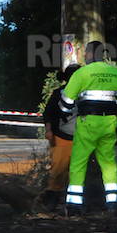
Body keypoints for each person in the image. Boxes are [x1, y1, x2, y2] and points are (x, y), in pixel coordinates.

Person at [59, 41, 117, 215]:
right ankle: (112, 204)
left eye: (85, 53)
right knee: (109, 164)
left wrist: (65, 110)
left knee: (79, 163)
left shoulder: (82, 73)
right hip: (109, 123)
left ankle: (74, 206)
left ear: (89, 54)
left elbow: (66, 102)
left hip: (88, 123)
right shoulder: (115, 73)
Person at [41, 64, 80, 210]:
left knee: (76, 171)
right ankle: (53, 199)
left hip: (82, 138)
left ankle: (71, 202)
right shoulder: (59, 93)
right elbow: (48, 113)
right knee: (58, 170)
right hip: (62, 137)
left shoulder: (87, 94)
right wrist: (49, 130)